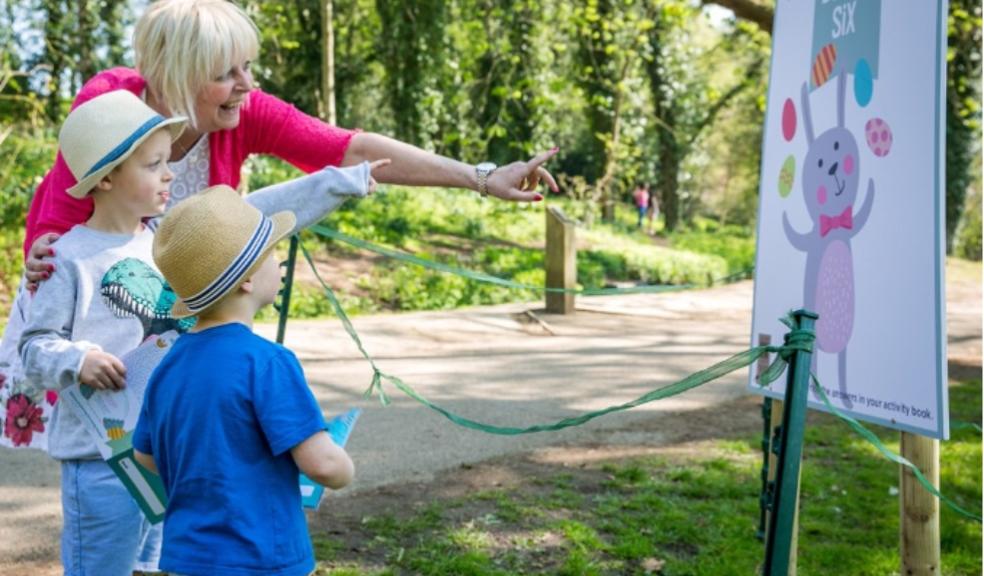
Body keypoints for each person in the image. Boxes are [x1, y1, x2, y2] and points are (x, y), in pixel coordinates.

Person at [1, 0, 557, 451]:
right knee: (104, 461)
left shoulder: (243, 112)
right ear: (180, 75)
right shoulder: (111, 107)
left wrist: (480, 177)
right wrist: (43, 263)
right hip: (92, 305)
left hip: (179, 302)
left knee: (174, 450)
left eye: (247, 67)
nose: (248, 84)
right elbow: (68, 207)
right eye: (227, 73)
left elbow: (347, 149)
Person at [133, 185, 355, 576]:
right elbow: (321, 463)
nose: (280, 264)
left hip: (187, 558)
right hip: (262, 558)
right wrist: (344, 468)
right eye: (272, 254)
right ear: (247, 280)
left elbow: (145, 456)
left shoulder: (167, 366)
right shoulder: (267, 362)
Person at [16, 90, 188, 576]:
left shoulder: (164, 244)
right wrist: (79, 359)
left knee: (152, 565)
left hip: (162, 452)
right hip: (99, 460)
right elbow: (32, 348)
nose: (169, 175)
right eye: (154, 164)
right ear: (108, 176)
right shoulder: (65, 258)